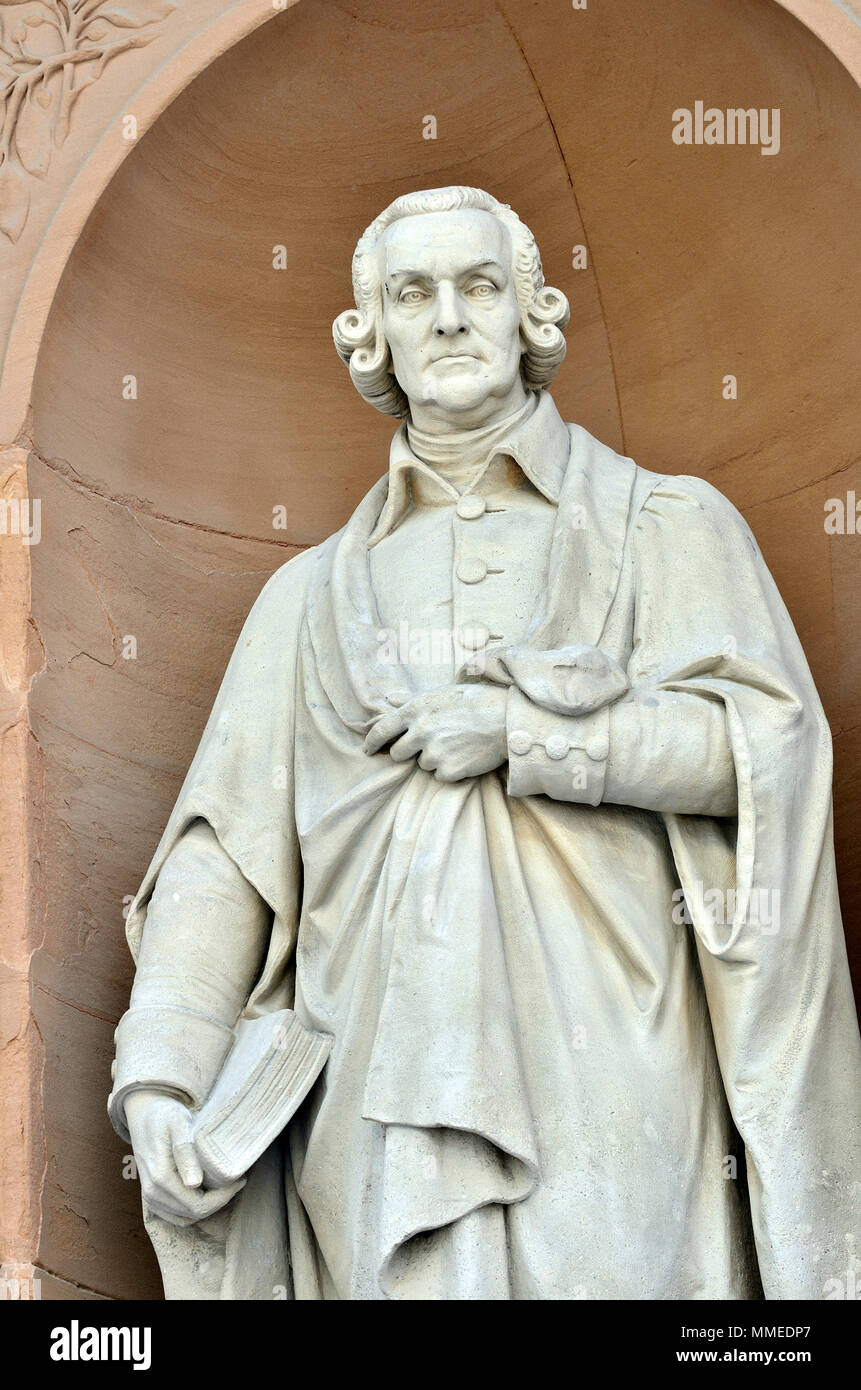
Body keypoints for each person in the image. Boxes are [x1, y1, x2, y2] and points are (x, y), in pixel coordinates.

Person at [109, 186, 861, 1300]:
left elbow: (764, 756)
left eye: (480, 286)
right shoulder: (301, 599)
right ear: (374, 337)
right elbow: (225, 859)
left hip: (616, 1059)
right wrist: (163, 1076)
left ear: (532, 315)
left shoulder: (668, 525)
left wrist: (528, 738)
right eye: (414, 294)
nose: (450, 317)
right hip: (368, 1085)